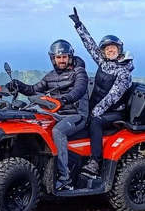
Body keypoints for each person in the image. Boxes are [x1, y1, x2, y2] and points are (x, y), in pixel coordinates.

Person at [6, 40, 89, 190]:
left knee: (58, 131)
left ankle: (64, 177)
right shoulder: (50, 76)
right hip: (56, 113)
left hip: (76, 115)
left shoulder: (78, 72)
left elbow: (80, 90)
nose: (61, 60)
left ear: (70, 57)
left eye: (64, 56)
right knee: (29, 120)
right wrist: (18, 85)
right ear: (53, 59)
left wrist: (64, 100)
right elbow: (34, 89)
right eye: (58, 57)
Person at [69, 8, 133, 177]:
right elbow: (89, 45)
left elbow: (113, 97)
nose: (110, 51)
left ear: (119, 50)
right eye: (107, 49)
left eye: (113, 48)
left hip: (115, 112)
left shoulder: (123, 72)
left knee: (95, 122)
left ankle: (94, 162)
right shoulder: (103, 63)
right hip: (96, 106)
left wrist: (93, 113)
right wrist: (78, 25)